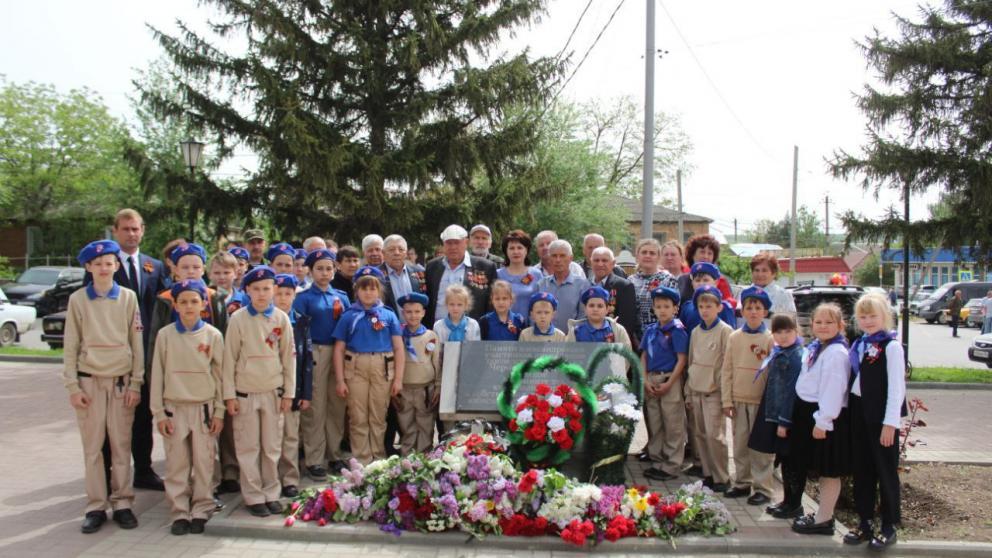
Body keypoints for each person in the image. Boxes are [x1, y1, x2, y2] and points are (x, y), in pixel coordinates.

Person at [64, 240, 144, 534]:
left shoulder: (128, 298)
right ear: (88, 267)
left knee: (121, 447)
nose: (103, 268)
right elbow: (71, 344)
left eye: (108, 263)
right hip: (89, 383)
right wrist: (72, 386)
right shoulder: (77, 300)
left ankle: (123, 503)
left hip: (122, 384)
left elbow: (137, 342)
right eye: (97, 264)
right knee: (93, 449)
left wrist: (137, 382)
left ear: (116, 266)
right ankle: (96, 506)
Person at [149, 279, 224, 536]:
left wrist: (219, 411)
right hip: (174, 408)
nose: (189, 306)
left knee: (204, 462)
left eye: (195, 301)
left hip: (203, 408)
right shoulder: (165, 335)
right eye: (183, 302)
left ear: (204, 304)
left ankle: (201, 508)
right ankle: (179, 510)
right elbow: (157, 374)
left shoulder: (213, 335)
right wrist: (159, 412)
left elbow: (220, 376)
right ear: (175, 305)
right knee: (177, 464)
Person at [222, 266, 296, 518]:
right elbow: (229, 359)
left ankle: (271, 492)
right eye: (256, 289)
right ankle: (253, 496)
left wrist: (289, 393)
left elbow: (289, 358)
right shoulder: (238, 319)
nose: (262, 294)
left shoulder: (281, 319)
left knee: (271, 446)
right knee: (248, 447)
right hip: (245, 394)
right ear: (247, 291)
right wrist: (229, 395)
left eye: (267, 288)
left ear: (274, 290)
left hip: (273, 393)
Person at [109, 209, 167, 492]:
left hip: (146, 353)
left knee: (144, 415)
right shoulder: (106, 265)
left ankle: (143, 470)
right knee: (114, 419)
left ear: (143, 230)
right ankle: (109, 475)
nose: (132, 234)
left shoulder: (153, 266)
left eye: (136, 229)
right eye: (126, 229)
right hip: (117, 353)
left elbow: (164, 306)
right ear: (115, 231)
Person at [846, 293, 905, 551]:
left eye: (873, 316)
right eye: (863, 316)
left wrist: (890, 423)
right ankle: (865, 521)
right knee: (862, 470)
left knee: (885, 471)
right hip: (860, 413)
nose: (868, 321)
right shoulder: (860, 344)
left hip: (881, 418)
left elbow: (897, 388)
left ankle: (889, 524)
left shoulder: (891, 347)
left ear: (885, 317)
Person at [788, 303, 852, 536]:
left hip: (824, 418)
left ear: (840, 325)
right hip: (810, 414)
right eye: (818, 322)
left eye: (829, 322)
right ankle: (821, 515)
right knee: (821, 468)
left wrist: (823, 421)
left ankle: (824, 518)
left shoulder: (836, 353)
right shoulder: (818, 347)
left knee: (829, 469)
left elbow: (833, 390)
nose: (823, 326)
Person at [332, 266, 405, 464]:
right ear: (356, 290)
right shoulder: (349, 316)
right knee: (358, 416)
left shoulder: (388, 315)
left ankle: (378, 458)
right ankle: (362, 459)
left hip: (382, 368)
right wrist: (340, 380)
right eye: (363, 289)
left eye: (373, 288)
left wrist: (398, 379)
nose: (368, 293)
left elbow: (398, 348)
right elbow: (339, 349)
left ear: (379, 290)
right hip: (356, 369)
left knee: (378, 415)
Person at [292, 248, 350, 478]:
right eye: (319, 269)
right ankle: (314, 458)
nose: (324, 273)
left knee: (336, 405)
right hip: (315, 351)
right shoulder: (304, 298)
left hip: (338, 351)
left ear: (334, 270)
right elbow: (300, 329)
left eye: (329, 268)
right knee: (315, 406)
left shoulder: (342, 297)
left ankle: (334, 454)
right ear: (311, 271)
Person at [721, 287, 775, 505]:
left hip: (760, 402)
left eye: (758, 308)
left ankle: (763, 487)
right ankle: (743, 481)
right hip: (739, 398)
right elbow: (727, 370)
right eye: (749, 308)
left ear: (765, 312)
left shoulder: (770, 339)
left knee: (761, 448)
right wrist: (727, 400)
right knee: (740, 443)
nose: (753, 312)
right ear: (742, 311)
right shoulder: (735, 337)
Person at [748, 314, 805, 519]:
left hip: (786, 416)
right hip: (773, 411)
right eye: (778, 332)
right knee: (781, 459)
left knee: (790, 461)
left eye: (787, 331)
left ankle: (794, 504)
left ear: (796, 331)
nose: (783, 336)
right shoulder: (780, 352)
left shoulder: (796, 356)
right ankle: (787, 501)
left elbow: (791, 391)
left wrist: (784, 421)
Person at [685, 284, 733, 492]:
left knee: (716, 436)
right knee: (701, 435)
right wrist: (688, 389)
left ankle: (722, 476)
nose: (705, 310)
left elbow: (727, 364)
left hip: (714, 391)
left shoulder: (725, 331)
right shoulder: (696, 331)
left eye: (709, 306)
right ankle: (708, 473)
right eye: (701, 306)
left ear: (719, 307)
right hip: (696, 388)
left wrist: (725, 394)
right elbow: (691, 361)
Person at [639, 286, 689, 481]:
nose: (662, 310)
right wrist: (644, 379)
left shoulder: (677, 330)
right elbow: (643, 356)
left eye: (666, 306)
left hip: (670, 379)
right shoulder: (651, 330)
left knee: (672, 422)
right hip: (651, 378)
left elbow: (681, 359)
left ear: (675, 308)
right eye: (658, 306)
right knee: (655, 421)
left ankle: (671, 464)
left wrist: (669, 384)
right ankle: (657, 460)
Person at [273, 274, 312, 498]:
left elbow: (306, 359)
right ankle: (270, 478)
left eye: (288, 294)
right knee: (270, 439)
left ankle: (289, 479)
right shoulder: (264, 320)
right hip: (270, 388)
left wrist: (305, 392)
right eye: (278, 293)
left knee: (290, 437)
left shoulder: (301, 321)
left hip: (294, 390)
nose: (283, 298)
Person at [424, 225, 498, 326]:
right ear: (443, 244)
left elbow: (491, 302)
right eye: (449, 243)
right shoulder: (432, 267)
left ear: (466, 242)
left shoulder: (485, 267)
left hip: (471, 332)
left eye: (457, 242)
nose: (453, 247)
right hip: (438, 330)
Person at [395, 293, 441, 455]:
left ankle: (424, 455)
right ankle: (407, 455)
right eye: (408, 312)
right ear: (403, 314)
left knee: (426, 423)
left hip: (425, 389)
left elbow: (436, 362)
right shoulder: (398, 336)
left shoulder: (430, 335)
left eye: (416, 311)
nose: (413, 315)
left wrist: (437, 385)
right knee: (406, 423)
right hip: (404, 388)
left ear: (423, 313)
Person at [588, 246, 642, 348]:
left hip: (613, 343)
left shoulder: (624, 286)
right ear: (591, 263)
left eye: (604, 260)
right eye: (596, 260)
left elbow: (627, 322)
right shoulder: (585, 284)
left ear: (613, 263)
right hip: (588, 342)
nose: (600, 264)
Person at [536, 239, 589, 332]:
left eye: (562, 256)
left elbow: (583, 316)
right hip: (544, 340)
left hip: (572, 340)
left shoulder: (582, 285)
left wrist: (573, 336)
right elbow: (534, 314)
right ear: (549, 258)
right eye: (554, 256)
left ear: (570, 258)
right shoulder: (541, 284)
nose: (558, 260)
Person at [629, 238, 679, 335]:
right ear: (637, 256)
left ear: (659, 257)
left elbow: (674, 311)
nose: (648, 255)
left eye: (652, 253)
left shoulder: (668, 279)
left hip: (662, 335)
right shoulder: (630, 281)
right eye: (644, 252)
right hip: (635, 337)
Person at [566, 285, 633, 353]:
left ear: (607, 309)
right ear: (585, 309)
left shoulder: (618, 330)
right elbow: (568, 356)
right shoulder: (576, 331)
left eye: (600, 306)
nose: (595, 309)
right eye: (591, 305)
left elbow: (627, 356)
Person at [496, 230, 544, 318]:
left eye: (519, 247)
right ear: (506, 251)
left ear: (526, 250)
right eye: (511, 248)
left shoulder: (536, 274)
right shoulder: (497, 275)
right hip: (504, 326)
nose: (515, 251)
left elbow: (542, 303)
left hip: (530, 328)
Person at [679, 235, 735, 309]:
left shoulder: (720, 280)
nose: (706, 256)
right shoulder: (683, 279)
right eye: (702, 252)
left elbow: (730, 303)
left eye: (710, 253)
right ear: (692, 255)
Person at [737, 254, 796, 323]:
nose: (760, 274)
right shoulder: (744, 293)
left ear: (774, 273)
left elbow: (791, 323)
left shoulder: (783, 295)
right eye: (756, 270)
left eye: (764, 270)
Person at [679, 263, 736, 332]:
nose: (701, 283)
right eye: (697, 280)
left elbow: (730, 334)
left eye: (706, 280)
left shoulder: (724, 307)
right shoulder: (687, 307)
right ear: (692, 284)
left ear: (716, 282)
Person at [380, 234, 427, 314]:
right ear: (383, 253)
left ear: (406, 253)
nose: (397, 253)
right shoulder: (376, 275)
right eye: (391, 250)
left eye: (401, 249)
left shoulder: (419, 272)